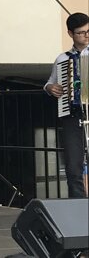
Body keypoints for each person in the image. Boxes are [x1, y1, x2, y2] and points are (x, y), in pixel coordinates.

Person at [44, 12, 89, 198]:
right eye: (81, 33)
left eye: (88, 31)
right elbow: (49, 83)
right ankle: (78, 208)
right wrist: (50, 88)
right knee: (73, 165)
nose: (86, 35)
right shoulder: (62, 59)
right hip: (72, 115)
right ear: (70, 33)